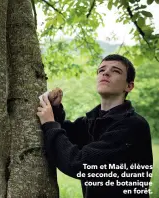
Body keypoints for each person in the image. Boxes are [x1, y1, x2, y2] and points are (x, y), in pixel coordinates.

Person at [37, 54, 153, 198]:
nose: (106, 72)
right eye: (101, 70)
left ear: (129, 86)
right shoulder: (91, 122)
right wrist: (55, 110)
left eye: (116, 71)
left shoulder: (133, 126)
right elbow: (66, 134)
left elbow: (79, 164)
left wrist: (49, 124)